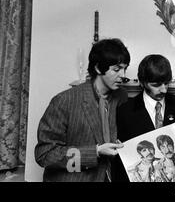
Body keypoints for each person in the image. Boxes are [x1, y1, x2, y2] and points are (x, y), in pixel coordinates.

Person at [35, 38, 130, 182]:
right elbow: (45, 155)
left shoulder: (121, 96)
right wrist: (95, 152)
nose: (122, 75)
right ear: (98, 68)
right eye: (116, 69)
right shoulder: (64, 101)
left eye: (125, 69)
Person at [113, 54, 175, 182]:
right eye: (156, 85)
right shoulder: (124, 111)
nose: (163, 90)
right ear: (142, 83)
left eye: (166, 83)